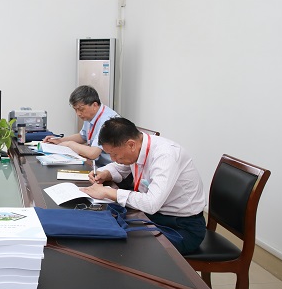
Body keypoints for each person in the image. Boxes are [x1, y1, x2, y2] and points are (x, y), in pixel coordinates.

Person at [80, 117, 206, 254]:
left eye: (114, 154)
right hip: (154, 216)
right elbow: (119, 167)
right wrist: (105, 173)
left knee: (124, 244)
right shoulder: (138, 147)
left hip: (182, 226)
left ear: (131, 145)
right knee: (105, 225)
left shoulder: (165, 155)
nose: (113, 159)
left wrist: (107, 192)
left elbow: (151, 203)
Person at [42, 85, 119, 164]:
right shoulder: (90, 115)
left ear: (94, 105)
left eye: (81, 109)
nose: (78, 113)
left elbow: (93, 153)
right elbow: (82, 136)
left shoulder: (108, 121)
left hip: (111, 168)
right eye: (75, 110)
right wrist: (59, 140)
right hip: (96, 164)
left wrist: (69, 144)